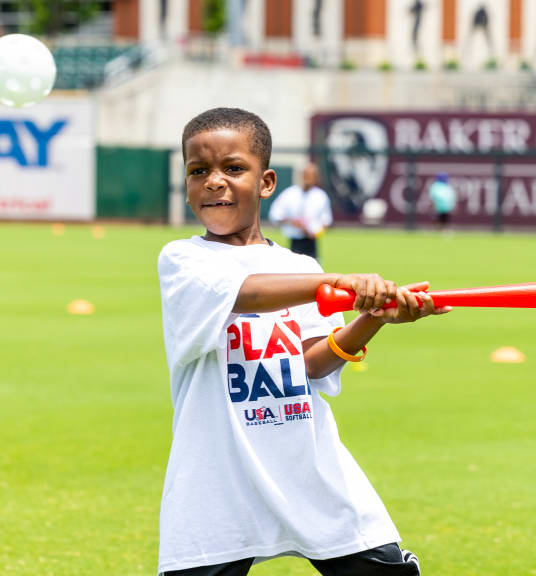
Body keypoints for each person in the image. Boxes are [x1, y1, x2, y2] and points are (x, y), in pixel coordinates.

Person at [157, 107, 450, 576]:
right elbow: (244, 292)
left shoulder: (302, 268)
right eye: (198, 171)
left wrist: (372, 318)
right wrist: (332, 282)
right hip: (218, 475)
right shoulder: (184, 259)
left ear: (267, 182)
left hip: (305, 466)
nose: (214, 182)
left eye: (233, 168)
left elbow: (312, 363)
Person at [268, 162, 333, 259]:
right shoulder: (290, 194)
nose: (308, 178)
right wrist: (293, 222)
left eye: (311, 175)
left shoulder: (321, 196)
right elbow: (275, 216)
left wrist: (315, 232)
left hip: (311, 242)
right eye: (306, 175)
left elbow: (326, 221)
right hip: (295, 241)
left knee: (313, 271)